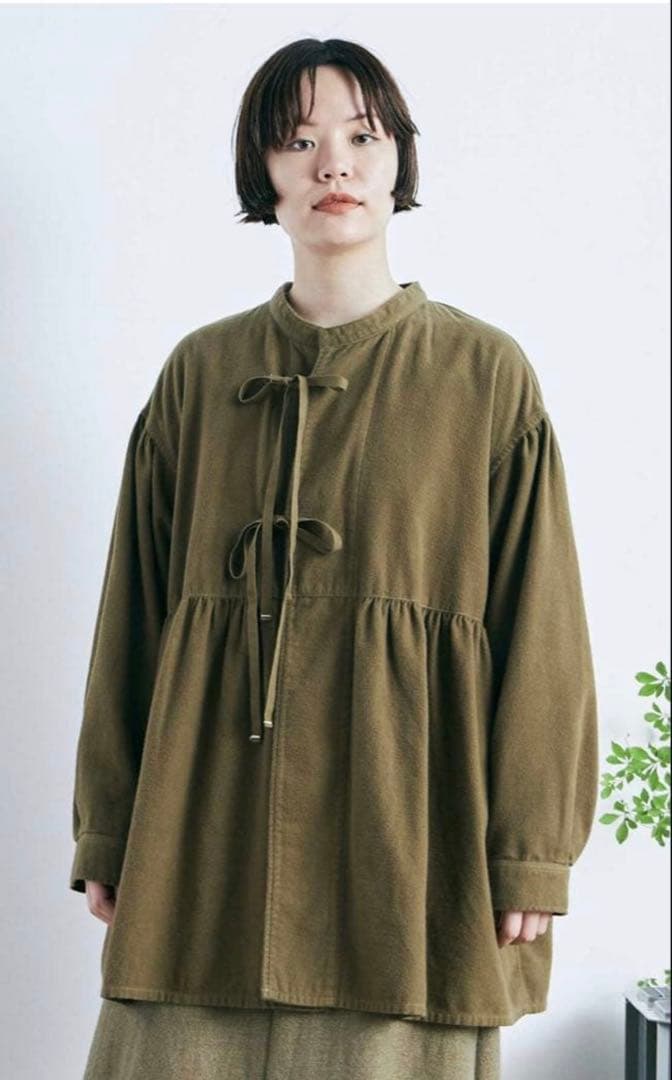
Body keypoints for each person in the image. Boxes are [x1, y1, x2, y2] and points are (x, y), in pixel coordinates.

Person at [72, 37, 599, 1080]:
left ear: (400, 159)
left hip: (408, 848)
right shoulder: (200, 375)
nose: (334, 165)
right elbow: (131, 614)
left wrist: (531, 848)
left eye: (363, 136)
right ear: (260, 173)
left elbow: (543, 625)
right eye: (298, 140)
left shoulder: (484, 375)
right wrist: (109, 827)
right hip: (202, 846)